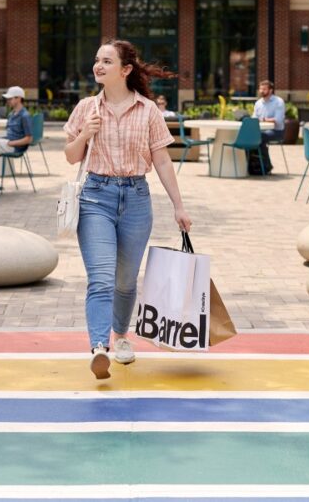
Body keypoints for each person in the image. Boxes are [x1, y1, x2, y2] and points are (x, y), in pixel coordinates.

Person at [64, 39, 192, 380]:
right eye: (96, 59)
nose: (98, 66)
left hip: (136, 198)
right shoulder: (86, 108)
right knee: (102, 278)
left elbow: (162, 160)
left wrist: (178, 206)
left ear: (125, 70)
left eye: (107, 60)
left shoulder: (148, 110)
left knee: (124, 281)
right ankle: (98, 347)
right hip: (95, 197)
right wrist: (84, 135)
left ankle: (121, 336)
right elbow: (71, 155)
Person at [0, 86, 32, 197]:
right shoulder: (11, 114)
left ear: (18, 98)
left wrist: (12, 143)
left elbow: (29, 138)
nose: (8, 101)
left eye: (10, 99)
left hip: (15, 146)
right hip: (7, 142)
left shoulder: (25, 116)